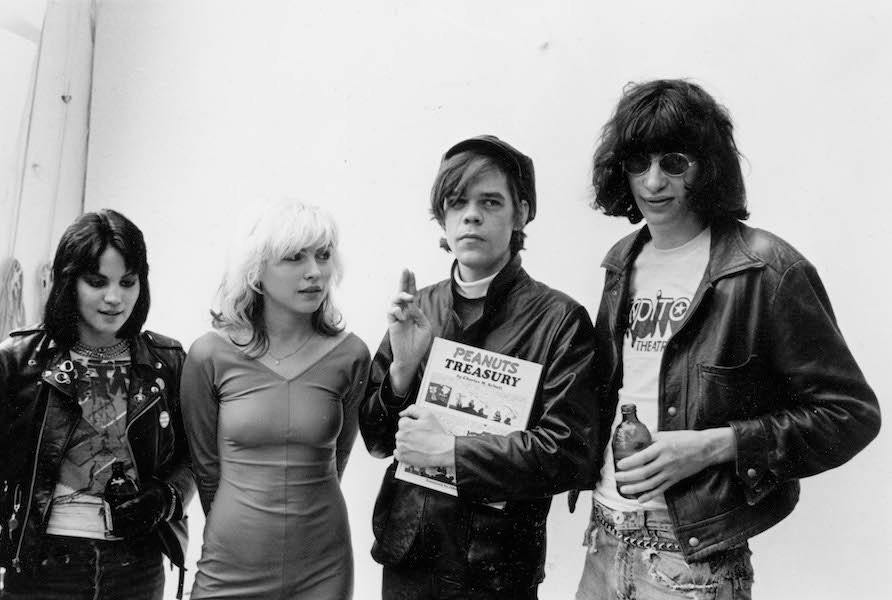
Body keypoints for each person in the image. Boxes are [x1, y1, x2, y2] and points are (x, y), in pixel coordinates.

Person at [571, 79, 881, 599]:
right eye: (638, 163)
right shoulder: (621, 262)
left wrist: (715, 445)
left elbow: (850, 415)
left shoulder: (766, 269)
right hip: (603, 538)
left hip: (691, 560)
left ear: (706, 166)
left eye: (674, 162)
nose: (653, 181)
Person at [360, 135, 599, 599]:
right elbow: (376, 440)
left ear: (522, 213)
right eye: (457, 202)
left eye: (490, 201)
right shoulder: (418, 307)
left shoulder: (559, 319)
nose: (471, 215)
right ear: (443, 217)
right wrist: (402, 371)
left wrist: (452, 451)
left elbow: (570, 455)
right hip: (409, 561)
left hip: (497, 572)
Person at [0, 209, 193, 600]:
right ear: (69, 281)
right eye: (97, 282)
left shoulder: (167, 361)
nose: (115, 298)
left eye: (128, 281)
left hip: (138, 565)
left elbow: (191, 458)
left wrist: (165, 499)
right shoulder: (16, 361)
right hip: (41, 567)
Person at [181, 198, 370, 599]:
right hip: (231, 561)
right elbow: (206, 469)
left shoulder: (351, 354)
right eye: (293, 258)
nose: (315, 272)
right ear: (256, 271)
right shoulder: (209, 355)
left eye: (323, 256)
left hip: (323, 565)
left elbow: (339, 458)